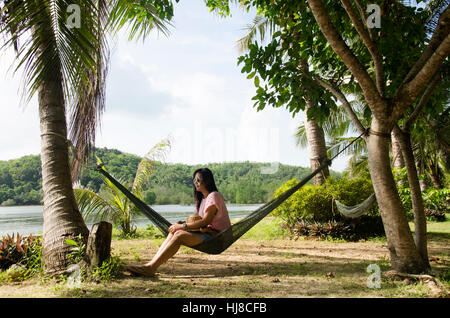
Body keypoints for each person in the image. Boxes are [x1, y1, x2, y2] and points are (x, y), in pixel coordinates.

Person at [123, 168, 231, 277]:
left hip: (217, 237)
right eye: (194, 180)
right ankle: (150, 265)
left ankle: (151, 268)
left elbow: (205, 221)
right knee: (174, 232)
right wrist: (179, 225)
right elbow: (198, 221)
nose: (195, 182)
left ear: (207, 181)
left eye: (198, 179)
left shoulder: (214, 196)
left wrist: (182, 226)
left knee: (179, 234)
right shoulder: (202, 199)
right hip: (206, 233)